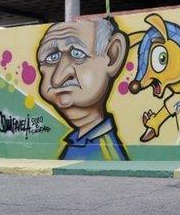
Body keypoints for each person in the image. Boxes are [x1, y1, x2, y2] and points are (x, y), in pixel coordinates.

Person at [36, 18, 129, 160]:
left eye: (77, 54)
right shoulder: (78, 140)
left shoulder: (106, 151)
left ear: (112, 55)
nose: (57, 79)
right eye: (52, 57)